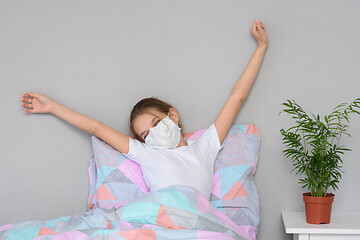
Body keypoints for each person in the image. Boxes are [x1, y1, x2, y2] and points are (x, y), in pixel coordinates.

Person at [21, 19, 268, 200]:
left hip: (197, 223)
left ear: (172, 116)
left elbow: (237, 97)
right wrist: (53, 107)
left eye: (155, 124)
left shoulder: (205, 147)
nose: (152, 136)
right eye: (145, 135)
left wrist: (261, 47)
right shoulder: (147, 154)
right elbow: (95, 127)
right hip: (157, 221)